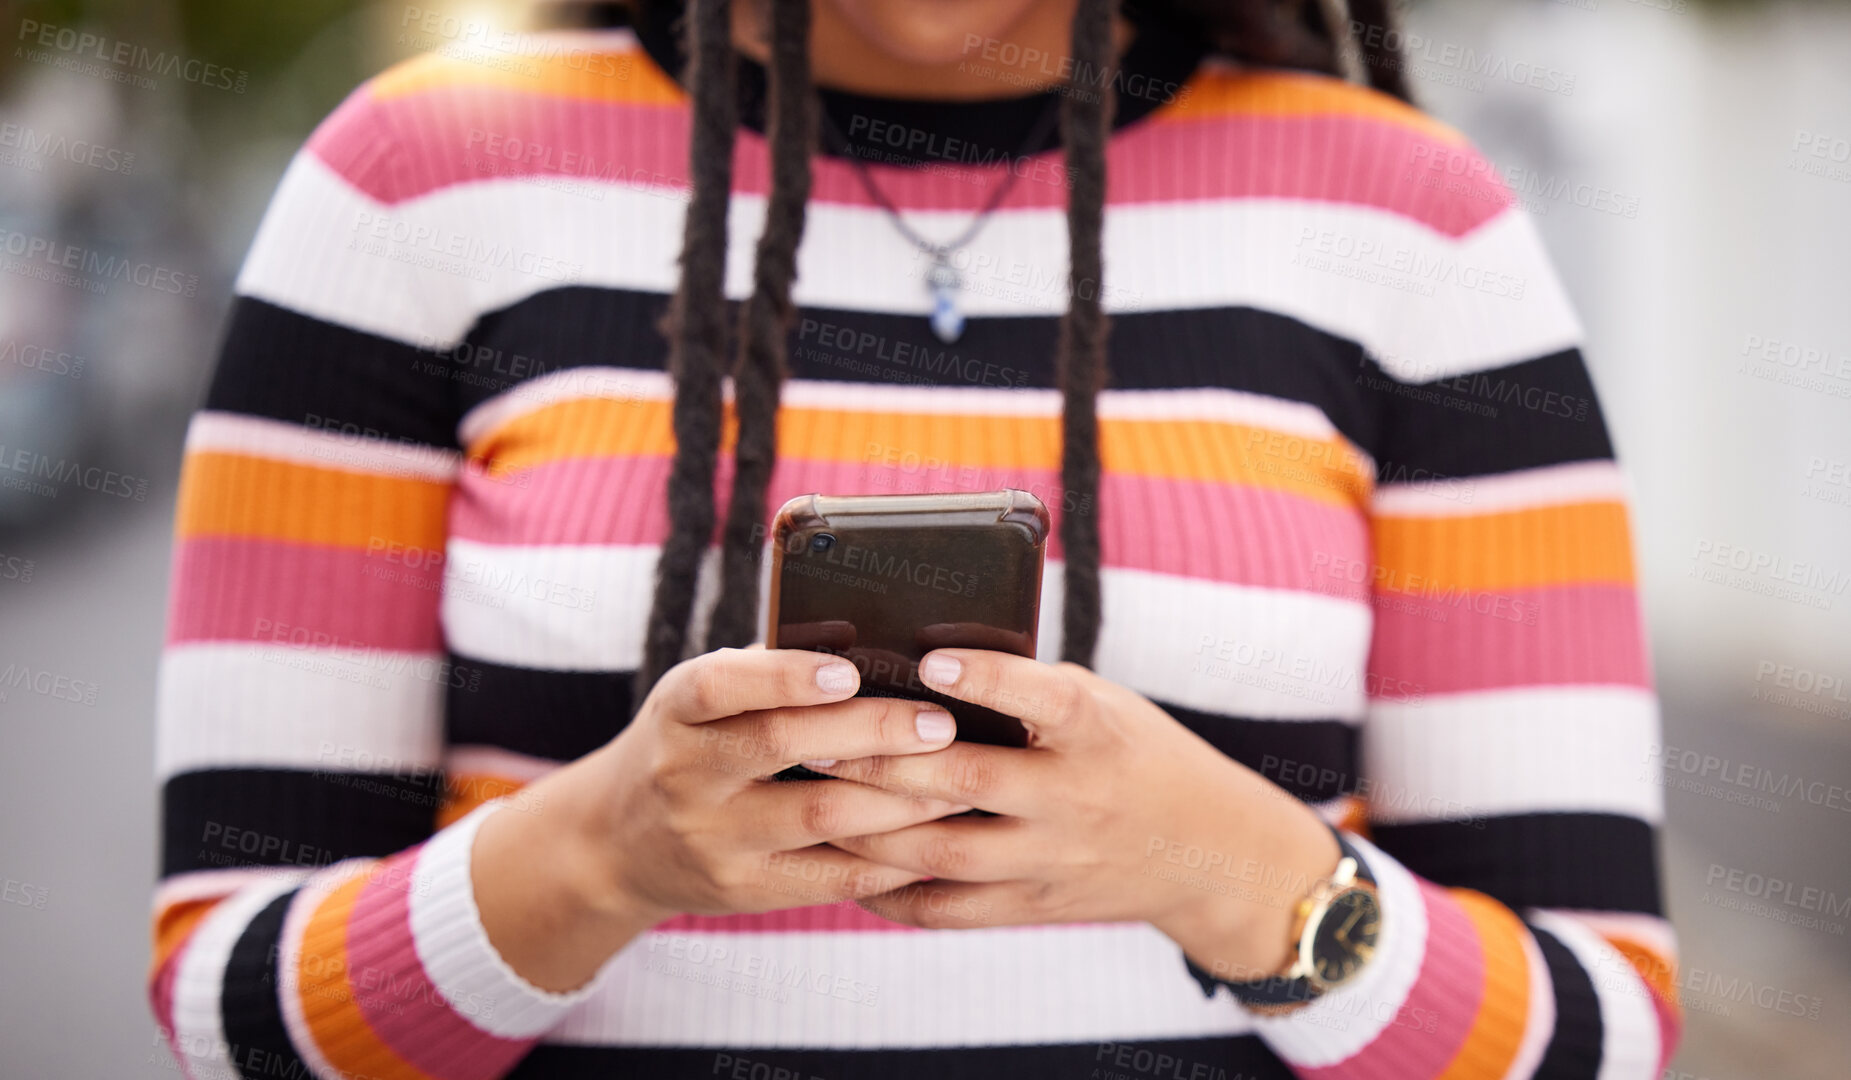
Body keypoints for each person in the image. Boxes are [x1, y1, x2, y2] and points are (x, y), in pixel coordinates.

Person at [149, 0, 1679, 1076]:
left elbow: (1589, 1027)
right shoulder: (414, 183)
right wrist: (607, 854)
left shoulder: (1412, 219)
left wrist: (1223, 869)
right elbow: (237, 1000)